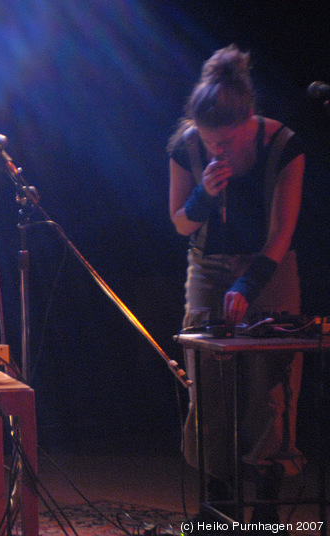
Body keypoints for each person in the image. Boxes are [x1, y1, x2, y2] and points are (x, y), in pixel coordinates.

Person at [168, 45, 305, 523]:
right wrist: (204, 195)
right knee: (208, 386)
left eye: (226, 143)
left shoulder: (282, 143)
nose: (218, 150)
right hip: (207, 266)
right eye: (211, 143)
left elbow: (282, 233)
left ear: (249, 121)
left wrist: (249, 284)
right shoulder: (187, 146)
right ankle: (216, 508)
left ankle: (265, 512)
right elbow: (181, 224)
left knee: (270, 387)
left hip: (269, 267)